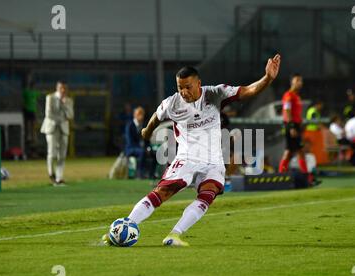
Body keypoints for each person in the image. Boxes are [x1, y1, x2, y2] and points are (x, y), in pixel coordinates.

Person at [103, 54, 281, 247]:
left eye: (188, 87)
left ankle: (175, 235)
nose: (184, 92)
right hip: (187, 158)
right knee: (162, 192)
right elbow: (157, 115)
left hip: (213, 161)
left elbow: (247, 91)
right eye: (180, 87)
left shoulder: (214, 93)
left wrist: (268, 78)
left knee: (207, 196)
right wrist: (147, 129)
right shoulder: (172, 103)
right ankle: (123, 227)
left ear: (198, 84)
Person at [278, 74, 316, 185]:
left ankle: (305, 177)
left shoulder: (297, 96)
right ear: (292, 82)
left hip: (296, 126)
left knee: (295, 151)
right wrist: (291, 127)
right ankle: (284, 176)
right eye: (297, 80)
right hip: (291, 126)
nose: (300, 82)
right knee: (293, 151)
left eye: (301, 80)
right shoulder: (288, 95)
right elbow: (287, 111)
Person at [40, 81, 74, 186]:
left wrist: (64, 105)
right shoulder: (50, 98)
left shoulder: (68, 100)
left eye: (65, 88)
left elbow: (70, 115)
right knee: (52, 152)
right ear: (57, 88)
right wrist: (60, 119)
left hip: (63, 128)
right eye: (61, 88)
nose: (63, 90)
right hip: (52, 128)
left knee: (62, 154)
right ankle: (51, 174)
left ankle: (59, 178)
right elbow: (49, 114)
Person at [124, 106, 156, 179]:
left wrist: (148, 148)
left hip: (142, 149)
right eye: (139, 114)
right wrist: (143, 149)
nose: (141, 116)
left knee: (154, 153)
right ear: (135, 115)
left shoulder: (144, 126)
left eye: (142, 114)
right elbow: (130, 142)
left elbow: (147, 140)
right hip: (131, 149)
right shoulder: (129, 126)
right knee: (142, 152)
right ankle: (139, 173)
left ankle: (151, 174)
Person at [22, 76, 41, 155]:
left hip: (32, 111)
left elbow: (36, 101)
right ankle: (29, 136)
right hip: (28, 110)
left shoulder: (34, 92)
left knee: (32, 125)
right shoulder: (27, 92)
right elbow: (23, 100)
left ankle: (32, 137)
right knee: (28, 125)